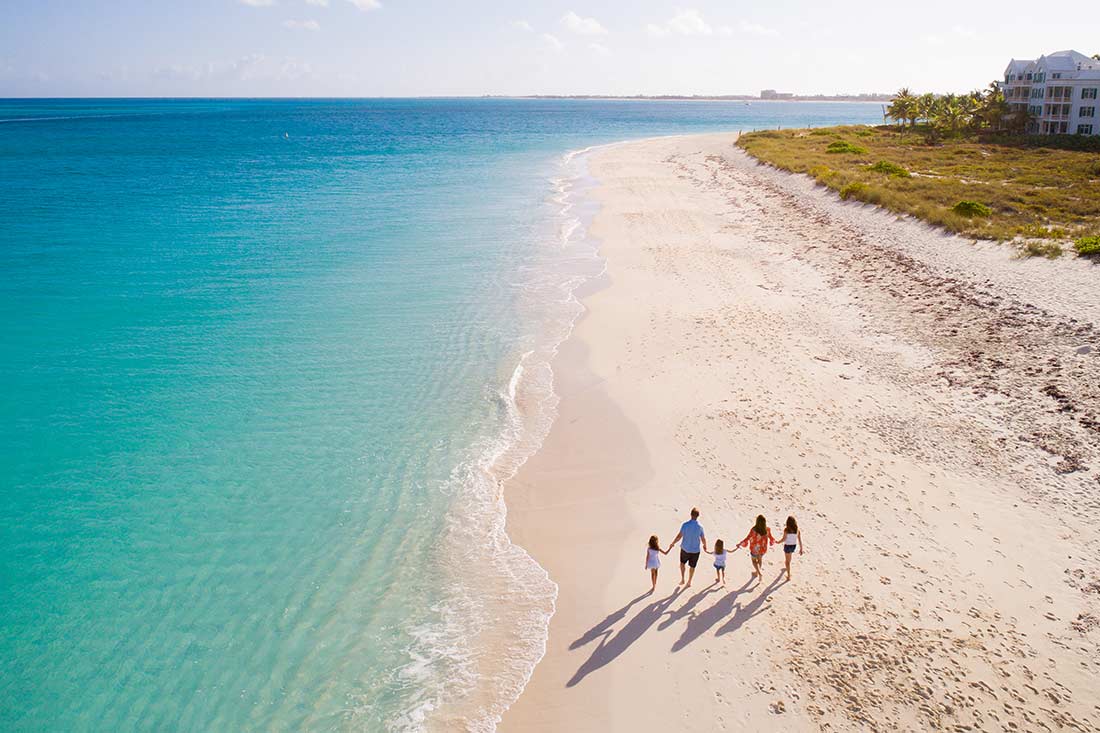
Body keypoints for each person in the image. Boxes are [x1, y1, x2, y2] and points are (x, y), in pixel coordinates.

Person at [667, 507, 707, 588]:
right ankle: (689, 581)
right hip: (695, 551)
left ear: (691, 514)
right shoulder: (700, 527)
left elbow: (679, 536)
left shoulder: (685, 525)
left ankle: (682, 578)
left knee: (682, 563)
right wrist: (705, 545)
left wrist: (673, 543)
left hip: (685, 549)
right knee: (692, 567)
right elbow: (703, 538)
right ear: (698, 516)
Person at [738, 514, 778, 581]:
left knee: (754, 561)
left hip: (754, 549)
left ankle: (759, 573)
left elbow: (747, 538)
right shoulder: (767, 530)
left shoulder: (753, 530)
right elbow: (771, 538)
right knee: (760, 560)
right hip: (763, 549)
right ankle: (757, 572)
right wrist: (773, 541)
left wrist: (740, 543)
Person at [781, 516, 803, 580]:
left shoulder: (786, 530)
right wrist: (801, 549)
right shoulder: (797, 530)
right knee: (789, 558)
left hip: (787, 546)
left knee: (787, 562)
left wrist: (778, 542)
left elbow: (784, 539)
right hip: (793, 546)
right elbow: (799, 540)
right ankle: (787, 568)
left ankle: (788, 576)